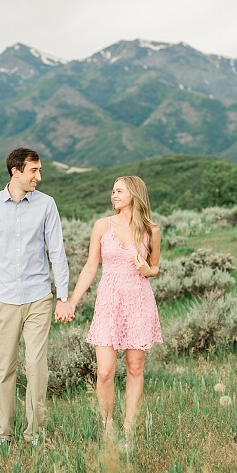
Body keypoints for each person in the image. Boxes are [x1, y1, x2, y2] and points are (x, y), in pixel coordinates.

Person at [0, 147, 73, 448]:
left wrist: (63, 297)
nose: (39, 177)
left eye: (39, 170)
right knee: (3, 369)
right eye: (33, 171)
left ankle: (35, 435)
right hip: (2, 301)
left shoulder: (47, 205)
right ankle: (4, 434)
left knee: (36, 366)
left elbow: (57, 252)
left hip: (38, 298)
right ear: (16, 171)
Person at [62, 175, 163, 443]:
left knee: (134, 367)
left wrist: (147, 270)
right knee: (105, 370)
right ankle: (108, 425)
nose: (113, 195)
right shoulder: (102, 226)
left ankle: (129, 428)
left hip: (138, 300)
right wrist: (72, 301)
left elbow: (155, 267)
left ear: (134, 193)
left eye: (119, 191)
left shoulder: (151, 230)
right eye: (113, 191)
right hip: (108, 301)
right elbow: (90, 267)